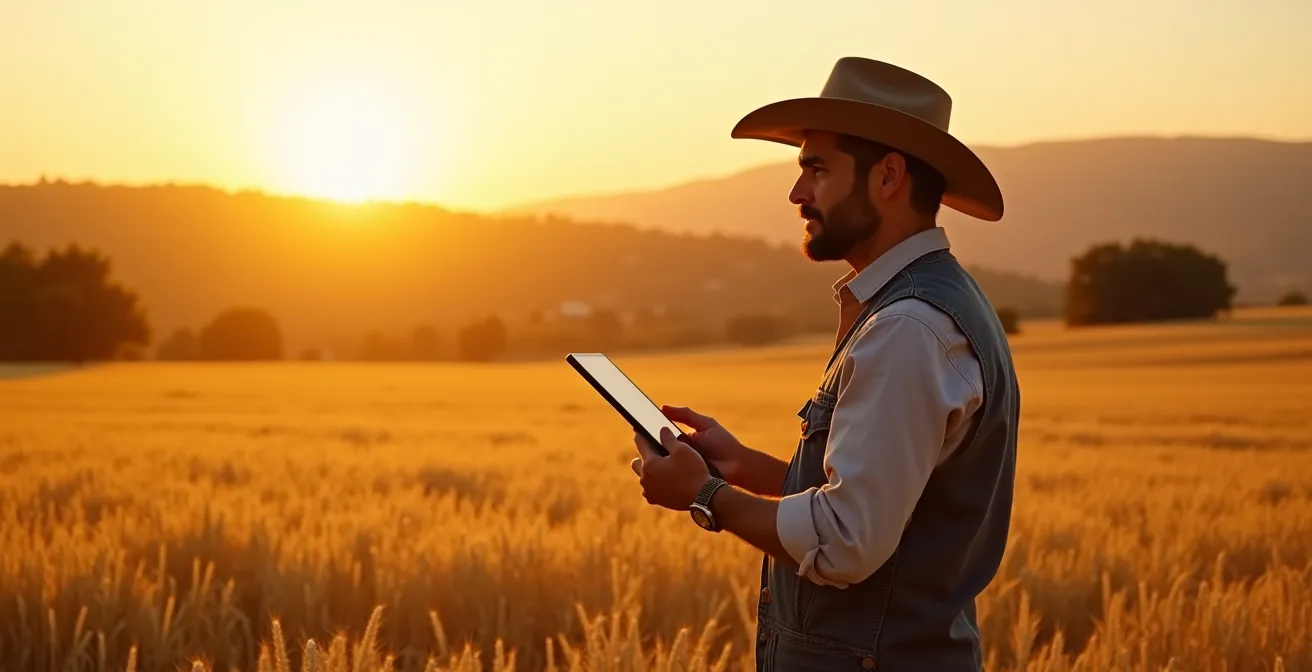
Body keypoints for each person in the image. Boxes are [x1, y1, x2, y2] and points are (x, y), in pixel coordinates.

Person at [629, 56, 1020, 671]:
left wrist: (704, 493)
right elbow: (884, 503)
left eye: (817, 168)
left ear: (888, 176)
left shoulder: (907, 328)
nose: (796, 192)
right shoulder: (925, 306)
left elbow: (844, 543)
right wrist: (749, 468)